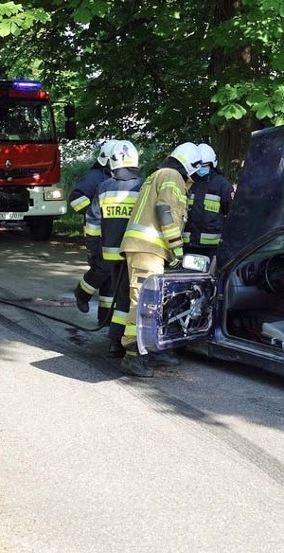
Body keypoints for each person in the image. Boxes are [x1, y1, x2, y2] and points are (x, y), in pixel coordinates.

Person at [118, 142, 203, 377]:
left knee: (154, 302)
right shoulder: (172, 176)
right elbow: (166, 211)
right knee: (143, 301)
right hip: (148, 248)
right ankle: (133, 355)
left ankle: (153, 349)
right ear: (190, 164)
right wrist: (176, 249)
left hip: (147, 248)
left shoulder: (160, 174)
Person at [91, 140, 143, 358]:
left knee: (119, 294)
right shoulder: (142, 187)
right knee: (128, 297)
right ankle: (117, 342)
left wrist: (93, 253)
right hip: (134, 253)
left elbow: (92, 225)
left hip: (110, 253)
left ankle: (115, 341)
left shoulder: (103, 188)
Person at [69, 140, 117, 316]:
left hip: (113, 232)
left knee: (111, 277)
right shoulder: (95, 176)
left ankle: (105, 318)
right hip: (97, 232)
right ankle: (82, 293)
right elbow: (75, 198)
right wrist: (94, 211)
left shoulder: (116, 176)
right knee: (102, 268)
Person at [182, 143, 235, 260]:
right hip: (188, 245)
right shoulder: (189, 183)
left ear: (212, 165)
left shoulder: (222, 185)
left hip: (212, 248)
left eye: (205, 165)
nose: (201, 169)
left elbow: (232, 214)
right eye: (199, 166)